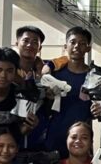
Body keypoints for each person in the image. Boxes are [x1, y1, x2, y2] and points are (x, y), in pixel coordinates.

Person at [40, 27, 93, 156]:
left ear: (88, 48)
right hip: (54, 136)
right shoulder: (54, 75)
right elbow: (44, 108)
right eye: (73, 42)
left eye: (82, 44)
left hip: (81, 140)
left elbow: (98, 111)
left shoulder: (94, 76)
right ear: (65, 46)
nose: (77, 46)